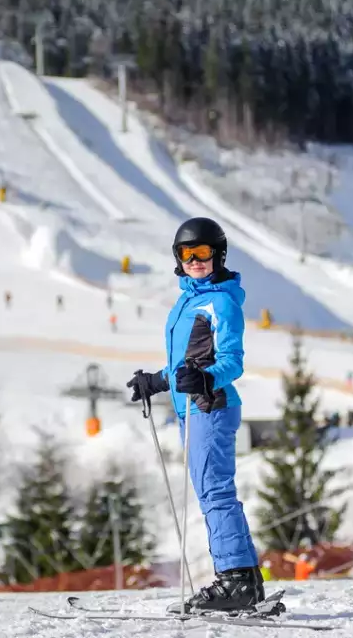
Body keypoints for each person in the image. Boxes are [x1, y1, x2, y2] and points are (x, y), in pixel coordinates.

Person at [127, 217, 263, 612]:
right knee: (211, 491)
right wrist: (157, 380)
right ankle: (244, 579)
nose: (195, 261)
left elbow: (231, 363)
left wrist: (205, 381)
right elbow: (188, 364)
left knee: (215, 491)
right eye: (187, 254)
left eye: (202, 253)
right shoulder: (187, 300)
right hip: (193, 407)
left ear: (218, 254)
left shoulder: (220, 301)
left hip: (212, 406)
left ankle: (236, 580)